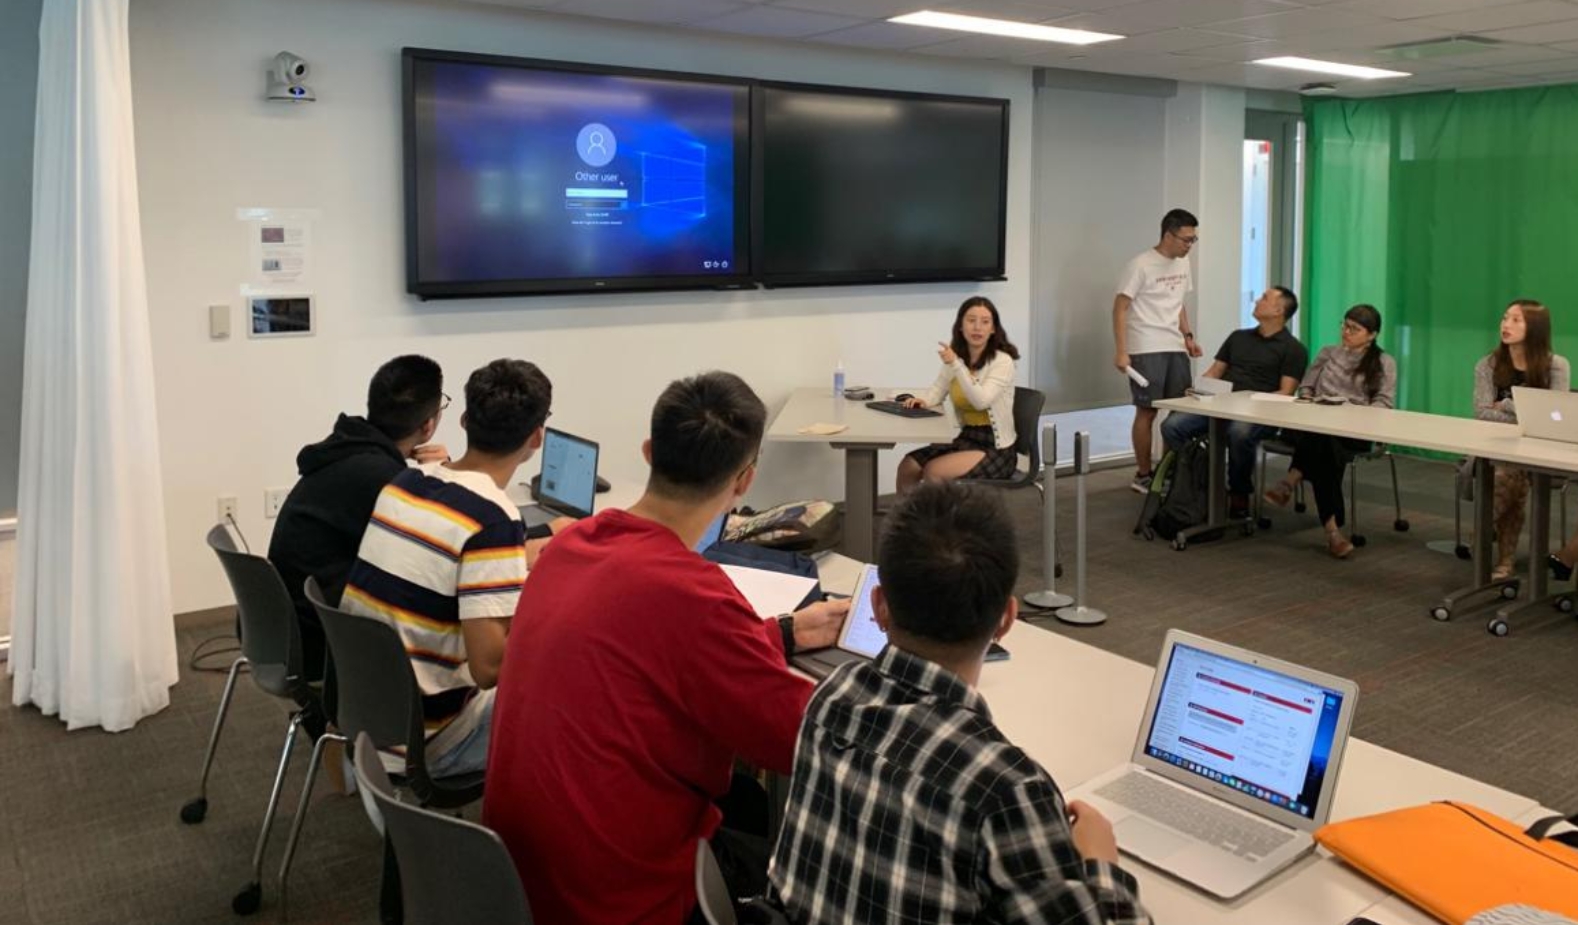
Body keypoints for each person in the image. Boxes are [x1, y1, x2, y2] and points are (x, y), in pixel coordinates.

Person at [483, 371, 851, 925]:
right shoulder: (694, 594)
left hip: (518, 877)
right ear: (745, 481)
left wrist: (785, 633)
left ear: (649, 452)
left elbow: (655, 651)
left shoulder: (569, 545)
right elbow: (800, 741)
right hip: (620, 898)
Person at [768, 481, 1152, 925]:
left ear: (879, 606)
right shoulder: (1007, 790)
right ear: (1006, 620)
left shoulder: (831, 696)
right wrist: (1102, 866)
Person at [340, 358, 552, 777]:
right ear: (537, 437)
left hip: (365, 717)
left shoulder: (406, 482)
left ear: (464, 420)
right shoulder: (493, 520)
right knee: (580, 685)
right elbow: (489, 669)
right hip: (430, 740)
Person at [268, 354, 448, 695]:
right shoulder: (384, 480)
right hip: (322, 645)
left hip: (285, 628)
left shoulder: (346, 450)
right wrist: (444, 475)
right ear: (428, 426)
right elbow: (444, 547)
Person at [1160, 286, 1309, 519]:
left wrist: (1251, 401)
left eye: (1264, 298)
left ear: (1279, 310)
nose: (1257, 300)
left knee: (1239, 433)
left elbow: (1286, 392)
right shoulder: (1238, 337)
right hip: (1221, 404)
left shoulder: (1294, 349)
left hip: (1259, 413)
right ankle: (1198, 481)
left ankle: (1239, 491)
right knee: (1172, 426)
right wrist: (1198, 388)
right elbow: (1215, 372)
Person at [1261, 305, 1398, 558]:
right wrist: (1309, 400)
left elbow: (1384, 402)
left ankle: (1291, 479)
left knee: (1323, 444)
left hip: (1353, 431)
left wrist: (1355, 414)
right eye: (1344, 325)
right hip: (1314, 423)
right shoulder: (1328, 353)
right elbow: (1306, 387)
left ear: (1371, 335)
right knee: (1322, 440)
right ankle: (1332, 531)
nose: (1346, 332)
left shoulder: (1383, 362)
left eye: (1354, 329)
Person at [1473, 299, 1570, 580]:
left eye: (1516, 320)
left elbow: (1556, 417)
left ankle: (1482, 533)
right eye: (1505, 318)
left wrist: (1506, 404)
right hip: (1494, 447)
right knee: (1509, 475)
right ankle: (1505, 560)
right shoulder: (1488, 364)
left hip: (1542, 451)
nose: (1506, 325)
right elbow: (1482, 413)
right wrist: (1528, 413)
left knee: (1510, 475)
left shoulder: (1555, 366)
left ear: (1535, 328)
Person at [1114, 209, 1204, 493]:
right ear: (1168, 235)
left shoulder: (1184, 263)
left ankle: (1168, 472)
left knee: (1178, 413)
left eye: (1193, 240)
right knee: (1147, 411)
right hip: (1146, 345)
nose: (1189, 245)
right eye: (1186, 239)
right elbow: (1120, 308)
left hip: (1174, 345)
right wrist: (1121, 351)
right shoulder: (1140, 265)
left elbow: (1177, 303)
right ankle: (1143, 474)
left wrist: (1188, 336)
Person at [896, 296, 1022, 493]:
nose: (977, 327)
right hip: (967, 438)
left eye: (985, 322)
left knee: (934, 472)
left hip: (996, 448)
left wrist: (956, 364)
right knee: (908, 466)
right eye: (971, 320)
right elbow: (937, 391)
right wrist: (923, 401)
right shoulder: (957, 358)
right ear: (961, 326)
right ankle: (909, 513)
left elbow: (981, 401)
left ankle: (937, 515)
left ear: (993, 329)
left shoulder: (1002, 361)